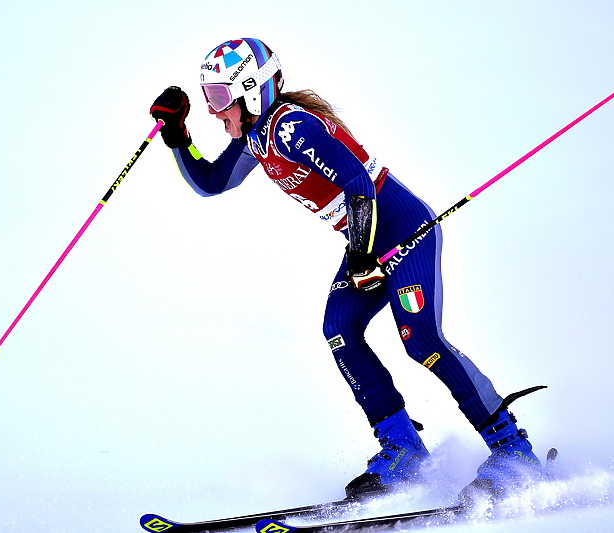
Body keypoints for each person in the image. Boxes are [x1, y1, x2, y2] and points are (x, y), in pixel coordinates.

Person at [150, 38, 545, 502]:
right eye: (207, 98)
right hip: (367, 241)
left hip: (403, 230)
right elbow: (212, 183)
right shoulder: (256, 139)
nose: (214, 111)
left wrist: (360, 257)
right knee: (339, 327)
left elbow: (358, 182)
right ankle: (404, 448)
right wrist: (179, 136)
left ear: (251, 90)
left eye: (218, 98)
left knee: (421, 340)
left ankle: (513, 450)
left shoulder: (291, 127)